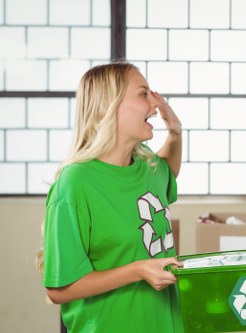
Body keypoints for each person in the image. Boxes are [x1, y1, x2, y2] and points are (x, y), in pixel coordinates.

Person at [37, 60, 184, 332]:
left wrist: (175, 131)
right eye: (143, 94)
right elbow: (60, 288)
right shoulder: (75, 183)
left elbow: (168, 172)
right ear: (111, 106)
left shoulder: (148, 167)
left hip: (165, 323)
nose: (155, 102)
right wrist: (138, 271)